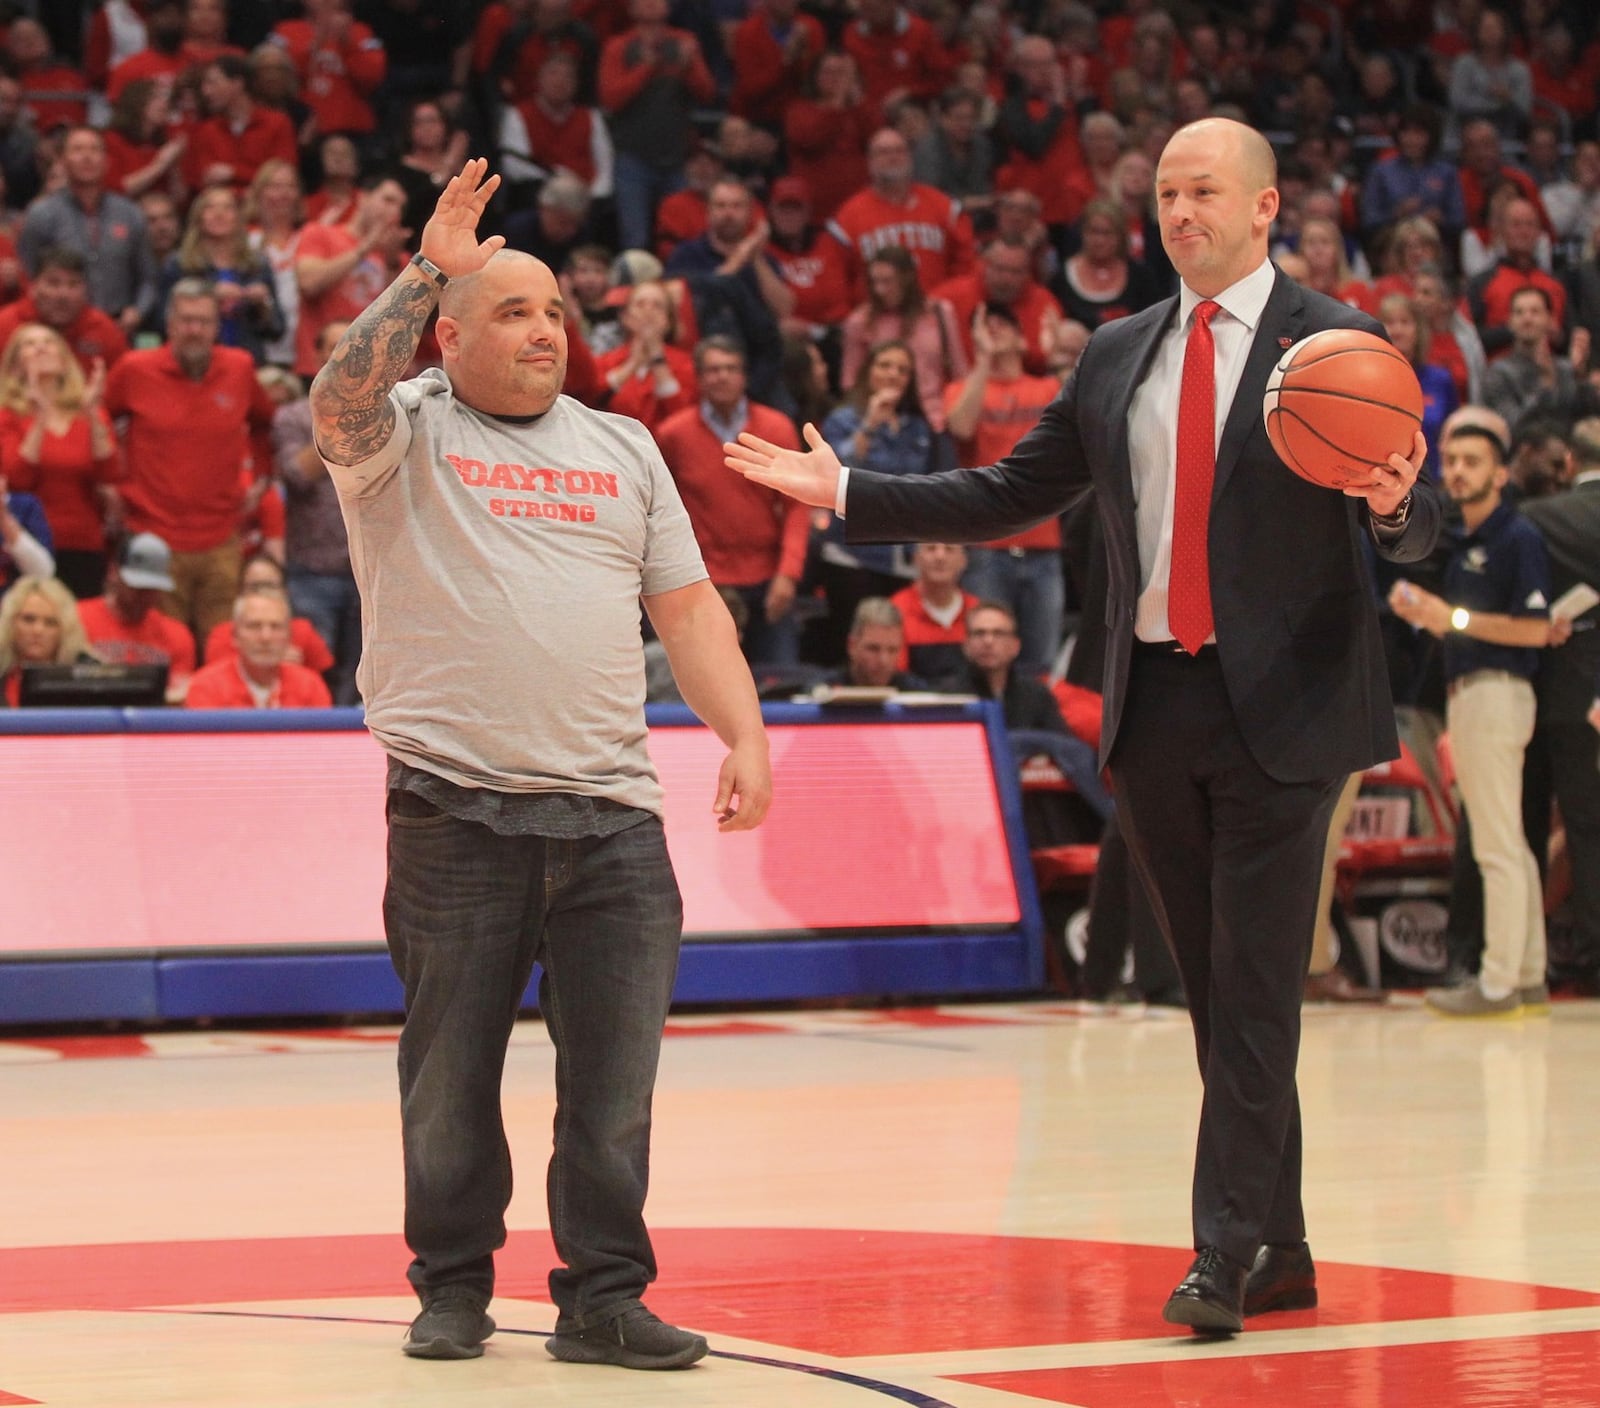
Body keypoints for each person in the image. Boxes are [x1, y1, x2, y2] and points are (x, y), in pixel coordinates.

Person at [728, 116, 1437, 1334]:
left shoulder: (1335, 346)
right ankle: (1284, 1245)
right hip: (1154, 703)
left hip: (1291, 710)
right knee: (1212, 992)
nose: (1179, 210)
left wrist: (1395, 502)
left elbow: (1414, 527)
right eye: (1164, 191)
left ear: (1267, 208)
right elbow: (1008, 490)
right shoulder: (1116, 352)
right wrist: (846, 490)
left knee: (1256, 985)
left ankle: (1218, 1258)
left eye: (1203, 189)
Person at [308, 159, 770, 1367]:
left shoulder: (623, 448)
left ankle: (604, 1295)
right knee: (448, 1079)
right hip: (455, 810)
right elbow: (334, 394)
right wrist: (424, 269)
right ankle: (453, 1284)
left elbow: (688, 610)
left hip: (614, 816)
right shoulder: (405, 429)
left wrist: (746, 733)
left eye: (554, 310)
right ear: (449, 337)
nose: (542, 330)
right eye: (511, 310)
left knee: (614, 1092)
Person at [1389, 423, 1558, 1016]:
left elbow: (1537, 629)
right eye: (1452, 459)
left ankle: (1497, 982)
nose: (1457, 471)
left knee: (1495, 844)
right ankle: (1528, 973)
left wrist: (1447, 618)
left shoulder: (1517, 537)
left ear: (1501, 473)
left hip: (1497, 690)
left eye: (1472, 461)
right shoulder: (1467, 539)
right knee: (1507, 840)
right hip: (1477, 694)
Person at [103, 278, 280, 645]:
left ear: (217, 327)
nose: (194, 330)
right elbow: (100, 420)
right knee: (162, 647)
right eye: (185, 320)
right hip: (152, 534)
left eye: (203, 321)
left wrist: (262, 478)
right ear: (169, 324)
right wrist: (110, 483)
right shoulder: (134, 368)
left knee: (223, 644)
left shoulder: (240, 368)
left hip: (222, 537)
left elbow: (265, 426)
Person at [653, 336, 808, 668]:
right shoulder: (673, 435)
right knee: (705, 681)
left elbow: (797, 505)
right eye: (713, 370)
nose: (722, 376)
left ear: (744, 376)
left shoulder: (776, 428)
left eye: (730, 368)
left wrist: (789, 573)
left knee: (779, 684)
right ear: (698, 377)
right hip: (705, 581)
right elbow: (658, 508)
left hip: (769, 579)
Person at [1520, 419, 1600, 993]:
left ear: (1569, 461)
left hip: (1545, 690)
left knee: (1529, 830)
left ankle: (1530, 954)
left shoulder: (1540, 516)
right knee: (1588, 830)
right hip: (1584, 700)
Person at [943, 305, 1067, 676]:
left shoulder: (1047, 386)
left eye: (1002, 325)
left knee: (1041, 663)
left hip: (1043, 546)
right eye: (984, 327)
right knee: (986, 659)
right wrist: (982, 360)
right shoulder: (961, 389)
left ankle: (1032, 733)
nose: (992, 331)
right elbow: (962, 427)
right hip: (987, 547)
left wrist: (1057, 356)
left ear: (1022, 338)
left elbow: (1083, 416)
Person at [0, 323, 120, 600]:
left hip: (84, 542)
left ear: (65, 360)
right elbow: (15, 479)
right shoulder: (7, 414)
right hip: (26, 544)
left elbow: (109, 473)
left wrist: (92, 414)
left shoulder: (88, 411)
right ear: (15, 365)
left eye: (49, 341)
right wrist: (40, 418)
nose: (41, 347)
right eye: (29, 344)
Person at [17, 127, 156, 336]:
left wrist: (138, 311)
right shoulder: (42, 214)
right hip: (59, 331)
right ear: (63, 161)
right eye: (78, 149)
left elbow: (148, 278)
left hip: (118, 328)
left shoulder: (130, 214)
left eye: (94, 149)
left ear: (106, 161)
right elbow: (27, 276)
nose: (87, 157)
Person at [75, 530, 195, 699]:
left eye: (152, 588)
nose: (144, 595)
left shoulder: (177, 635)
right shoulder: (76, 619)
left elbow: (178, 700)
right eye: (137, 586)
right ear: (113, 573)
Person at [185, 585, 334, 708]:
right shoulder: (206, 686)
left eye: (276, 627)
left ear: (289, 637)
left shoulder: (311, 686)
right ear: (235, 636)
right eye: (254, 626)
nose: (265, 637)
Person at [0, 246, 129, 377]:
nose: (63, 295)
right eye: (53, 283)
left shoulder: (104, 329)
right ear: (33, 287)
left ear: (86, 291)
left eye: (73, 284)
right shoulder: (5, 325)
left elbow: (123, 385)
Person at [200, 552, 334, 675]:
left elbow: (322, 682)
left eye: (270, 585)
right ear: (240, 591)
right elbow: (213, 680)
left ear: (285, 591)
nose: (262, 592)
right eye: (254, 586)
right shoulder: (221, 635)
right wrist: (264, 662)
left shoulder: (303, 631)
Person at [1481, 288, 1589, 435]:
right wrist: (1544, 384)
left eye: (1535, 312)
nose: (1527, 319)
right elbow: (1514, 426)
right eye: (1519, 312)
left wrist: (1580, 376)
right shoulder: (1498, 373)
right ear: (1510, 322)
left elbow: (1583, 419)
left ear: (1550, 319)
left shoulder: (1564, 368)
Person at [888, 540, 975, 686]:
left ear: (963, 561)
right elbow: (894, 672)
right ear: (916, 558)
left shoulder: (978, 612)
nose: (940, 557)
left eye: (949, 549)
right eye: (931, 548)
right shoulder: (896, 609)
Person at [0, 574, 96, 706]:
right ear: (11, 623)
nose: (38, 630)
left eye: (50, 623)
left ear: (64, 631)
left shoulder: (85, 683)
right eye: (29, 619)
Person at [823, 596, 924, 689]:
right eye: (873, 649)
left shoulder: (917, 695)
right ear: (852, 646)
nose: (883, 661)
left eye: (892, 650)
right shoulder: (825, 692)